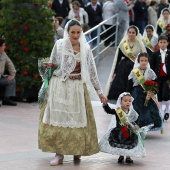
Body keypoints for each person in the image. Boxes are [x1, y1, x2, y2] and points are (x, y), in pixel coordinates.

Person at [38, 19, 107, 166]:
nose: (75, 35)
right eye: (72, 32)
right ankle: (59, 154)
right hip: (60, 87)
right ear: (67, 32)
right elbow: (51, 65)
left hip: (77, 88)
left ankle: (77, 150)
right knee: (60, 120)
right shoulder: (59, 45)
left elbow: (92, 73)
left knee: (78, 121)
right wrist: (46, 85)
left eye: (78, 32)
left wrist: (100, 92)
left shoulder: (86, 49)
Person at [99, 92, 146, 164]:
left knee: (128, 144)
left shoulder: (132, 112)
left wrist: (137, 125)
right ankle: (121, 156)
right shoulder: (118, 110)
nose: (128, 102)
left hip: (129, 131)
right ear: (120, 102)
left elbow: (136, 119)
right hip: (120, 131)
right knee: (121, 144)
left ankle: (128, 157)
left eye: (129, 101)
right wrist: (105, 105)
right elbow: (109, 111)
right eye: (125, 101)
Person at [106, 25, 146, 100]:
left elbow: (144, 56)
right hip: (123, 67)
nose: (131, 34)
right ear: (127, 33)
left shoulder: (140, 44)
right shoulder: (123, 44)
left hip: (136, 67)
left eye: (133, 33)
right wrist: (115, 71)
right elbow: (117, 59)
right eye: (129, 32)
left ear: (136, 34)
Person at [127, 52, 163, 131]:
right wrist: (127, 95)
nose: (144, 62)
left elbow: (155, 84)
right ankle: (136, 127)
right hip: (136, 94)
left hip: (148, 94)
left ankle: (145, 128)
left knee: (149, 109)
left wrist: (152, 91)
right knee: (136, 109)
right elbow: (129, 84)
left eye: (145, 60)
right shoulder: (134, 71)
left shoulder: (150, 72)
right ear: (138, 61)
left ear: (148, 61)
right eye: (142, 60)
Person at [150, 35, 170, 121]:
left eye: (164, 42)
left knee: (166, 94)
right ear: (158, 43)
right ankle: (161, 112)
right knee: (159, 94)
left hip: (168, 77)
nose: (162, 44)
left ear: (167, 43)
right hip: (158, 77)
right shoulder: (155, 54)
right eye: (161, 42)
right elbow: (151, 66)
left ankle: (167, 109)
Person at [0, 38, 17, 106]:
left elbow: (10, 64)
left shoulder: (3, 54)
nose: (5, 47)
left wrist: (12, 75)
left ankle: (7, 99)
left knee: (11, 80)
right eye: (3, 45)